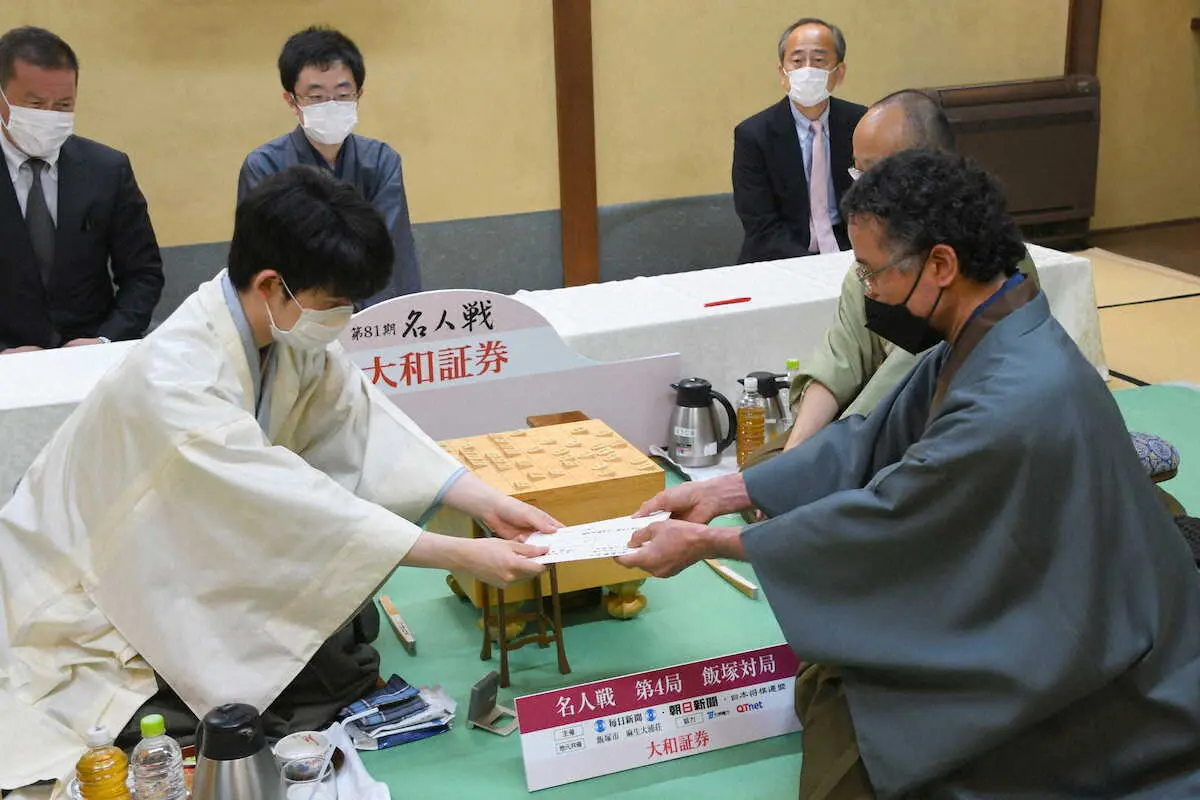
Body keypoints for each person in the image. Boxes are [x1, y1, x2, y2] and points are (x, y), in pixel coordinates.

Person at [618, 151, 1200, 798]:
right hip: (1047, 587)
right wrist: (726, 489)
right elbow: (869, 438)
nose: (869, 292)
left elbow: (892, 517)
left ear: (941, 264)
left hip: (1086, 645)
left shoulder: (1014, 394)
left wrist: (712, 543)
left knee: (857, 735)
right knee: (839, 674)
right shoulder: (994, 329)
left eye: (873, 273)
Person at [0, 166, 558, 791]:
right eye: (334, 303)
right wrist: (460, 554)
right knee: (255, 701)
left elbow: (363, 429)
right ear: (271, 284)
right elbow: (287, 505)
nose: (343, 318)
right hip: (88, 591)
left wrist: (485, 501)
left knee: (342, 633)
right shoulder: (174, 379)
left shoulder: (287, 332)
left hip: (178, 551)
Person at [778, 90, 1038, 453]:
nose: (863, 187)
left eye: (877, 172)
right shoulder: (880, 251)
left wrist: (819, 464)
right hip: (865, 429)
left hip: (936, 434)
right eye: (858, 171)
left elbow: (898, 391)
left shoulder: (979, 262)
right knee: (769, 463)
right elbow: (840, 357)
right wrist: (796, 451)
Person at [0, 26, 163, 354]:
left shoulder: (107, 170)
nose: (49, 116)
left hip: (90, 353)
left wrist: (105, 340)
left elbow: (143, 275)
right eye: (35, 104)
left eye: (63, 105)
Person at [239, 26, 420, 305]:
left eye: (343, 95)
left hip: (371, 313)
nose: (331, 105)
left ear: (359, 94)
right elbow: (268, 260)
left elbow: (389, 253)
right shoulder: (264, 167)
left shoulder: (381, 161)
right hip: (295, 315)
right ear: (292, 101)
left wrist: (371, 321)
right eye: (316, 97)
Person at [732, 17, 866, 264]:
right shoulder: (753, 135)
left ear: (839, 73)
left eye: (819, 60)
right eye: (797, 61)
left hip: (851, 255)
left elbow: (878, 205)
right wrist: (813, 267)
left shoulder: (863, 125)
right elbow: (760, 225)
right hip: (780, 258)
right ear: (782, 73)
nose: (807, 69)